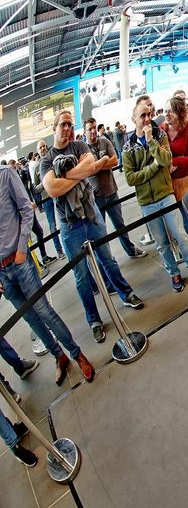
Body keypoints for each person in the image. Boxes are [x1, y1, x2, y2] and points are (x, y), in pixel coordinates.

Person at [41, 110, 145, 343]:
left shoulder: (79, 146)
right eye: (63, 125)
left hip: (91, 215)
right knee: (81, 277)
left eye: (70, 124)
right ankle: (94, 320)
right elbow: (53, 189)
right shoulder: (46, 160)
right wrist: (79, 174)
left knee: (107, 259)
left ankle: (126, 294)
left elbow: (90, 168)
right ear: (54, 128)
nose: (67, 128)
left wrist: (65, 174)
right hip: (69, 225)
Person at [1, 161, 95, 383]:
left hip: (19, 260)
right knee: (31, 319)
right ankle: (59, 356)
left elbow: (26, 209)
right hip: (2, 274)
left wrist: (22, 248)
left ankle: (76, 354)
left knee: (44, 311)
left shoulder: (6, 175)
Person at [123, 97, 188, 293]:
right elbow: (131, 178)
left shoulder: (159, 135)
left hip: (166, 194)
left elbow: (166, 159)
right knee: (161, 243)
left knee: (180, 234)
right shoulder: (127, 147)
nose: (147, 118)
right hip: (146, 201)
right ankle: (173, 272)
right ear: (133, 119)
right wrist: (153, 167)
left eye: (149, 114)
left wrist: (151, 142)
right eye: (142, 115)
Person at [84, 118, 146, 260]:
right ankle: (106, 260)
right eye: (89, 129)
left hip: (111, 192)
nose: (93, 131)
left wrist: (97, 165)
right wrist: (104, 160)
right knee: (100, 231)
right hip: (96, 197)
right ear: (85, 131)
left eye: (94, 128)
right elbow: (89, 170)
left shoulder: (105, 142)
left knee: (120, 225)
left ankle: (130, 250)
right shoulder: (84, 149)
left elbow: (115, 161)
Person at [163, 96, 188, 202]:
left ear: (179, 112)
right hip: (168, 184)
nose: (167, 114)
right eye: (165, 111)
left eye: (171, 111)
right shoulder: (162, 130)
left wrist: (174, 162)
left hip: (187, 180)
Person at [33, 141, 65, 259]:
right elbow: (36, 188)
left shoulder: (53, 159)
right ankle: (59, 250)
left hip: (58, 194)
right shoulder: (36, 167)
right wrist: (45, 182)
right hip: (46, 199)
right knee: (52, 225)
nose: (43, 148)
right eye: (40, 147)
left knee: (65, 219)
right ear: (37, 151)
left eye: (44, 146)